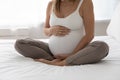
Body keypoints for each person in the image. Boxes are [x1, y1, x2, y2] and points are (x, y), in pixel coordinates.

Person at [15, 0, 109, 66]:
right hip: (52, 52)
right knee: (20, 43)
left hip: (78, 52)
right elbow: (45, 30)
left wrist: (72, 54)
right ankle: (54, 60)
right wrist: (51, 30)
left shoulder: (84, 2)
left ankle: (64, 62)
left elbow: (89, 35)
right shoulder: (51, 4)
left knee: (102, 47)